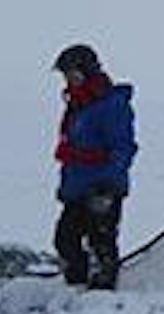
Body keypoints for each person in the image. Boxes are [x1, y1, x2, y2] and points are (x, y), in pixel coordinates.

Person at [50, 44, 138, 290]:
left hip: (103, 189)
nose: (68, 79)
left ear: (87, 71)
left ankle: (103, 294)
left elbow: (123, 147)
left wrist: (108, 185)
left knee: (101, 243)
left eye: (72, 73)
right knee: (65, 240)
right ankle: (76, 287)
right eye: (65, 74)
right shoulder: (77, 104)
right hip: (77, 189)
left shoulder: (111, 105)